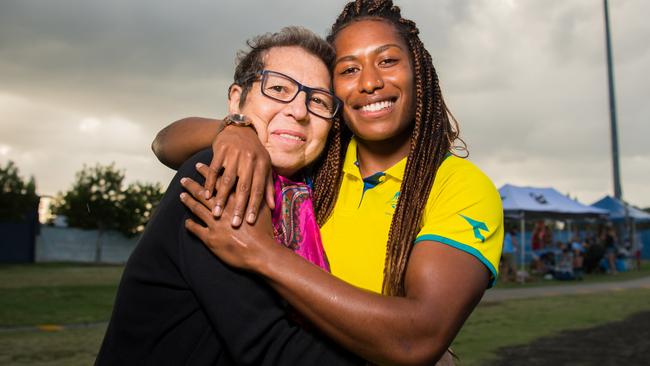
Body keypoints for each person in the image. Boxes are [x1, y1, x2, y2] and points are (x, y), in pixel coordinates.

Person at [156, 1, 503, 364]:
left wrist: (262, 254)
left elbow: (416, 339)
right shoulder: (312, 163)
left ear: (419, 72)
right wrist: (234, 130)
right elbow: (165, 144)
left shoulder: (460, 187)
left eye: (387, 61)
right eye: (349, 69)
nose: (370, 83)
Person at [95, 27, 362, 365]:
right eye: (278, 88)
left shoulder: (306, 193)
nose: (299, 111)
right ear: (237, 99)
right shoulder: (218, 175)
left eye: (319, 101)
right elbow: (269, 346)